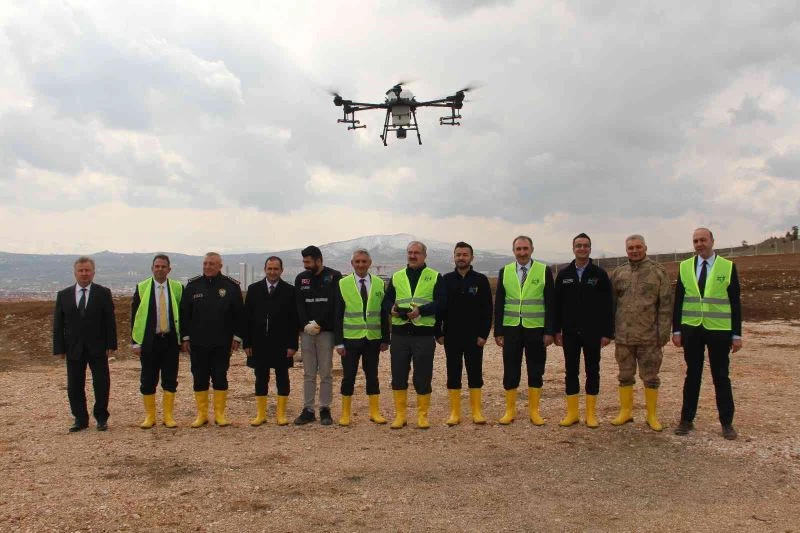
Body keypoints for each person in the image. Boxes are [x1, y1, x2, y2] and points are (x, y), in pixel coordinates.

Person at [672, 228, 742, 440]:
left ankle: (727, 423)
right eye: (695, 241)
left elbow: (735, 302)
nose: (699, 244)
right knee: (692, 375)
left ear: (712, 241)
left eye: (703, 240)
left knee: (721, 376)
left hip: (719, 330)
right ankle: (686, 420)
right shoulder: (685, 266)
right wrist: (677, 330)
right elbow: (679, 300)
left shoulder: (727, 267)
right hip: (692, 329)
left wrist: (736, 334)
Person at [610, 234, 672, 431]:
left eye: (638, 247)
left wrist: (663, 332)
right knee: (625, 375)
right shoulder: (619, 273)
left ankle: (651, 415)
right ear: (626, 250)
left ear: (645, 248)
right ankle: (625, 412)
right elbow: (612, 304)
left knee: (651, 377)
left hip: (649, 337)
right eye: (631, 248)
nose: (634, 251)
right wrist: (611, 331)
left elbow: (666, 305)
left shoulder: (658, 272)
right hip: (624, 336)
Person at [383, 241, 446, 429]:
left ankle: (422, 416)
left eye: (416, 253)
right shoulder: (397, 276)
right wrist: (391, 309)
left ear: (424, 255)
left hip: (423, 335)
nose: (412, 256)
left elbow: (441, 303)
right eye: (410, 252)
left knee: (423, 376)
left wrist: (421, 311)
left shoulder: (435, 276)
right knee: (398, 375)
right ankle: (400, 416)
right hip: (400, 334)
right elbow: (386, 300)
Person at [553, 233, 613, 428]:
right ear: (573, 249)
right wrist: (556, 330)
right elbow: (556, 305)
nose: (582, 248)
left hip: (592, 332)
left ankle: (591, 414)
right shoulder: (564, 275)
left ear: (590, 248)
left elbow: (608, 305)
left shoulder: (599, 274)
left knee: (592, 370)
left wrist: (607, 333)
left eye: (585, 245)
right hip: (570, 333)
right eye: (578, 245)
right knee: (571, 371)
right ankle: (572, 414)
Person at [494, 236, 555, 425]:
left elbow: (550, 303)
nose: (522, 252)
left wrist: (549, 331)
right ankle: (510, 411)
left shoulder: (543, 270)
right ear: (513, 251)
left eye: (525, 248)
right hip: (511, 328)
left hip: (535, 328)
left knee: (535, 369)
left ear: (532, 249)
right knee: (510, 369)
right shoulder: (505, 271)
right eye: (518, 249)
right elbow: (500, 303)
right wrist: (498, 331)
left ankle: (534, 412)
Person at [53, 257, 117, 432]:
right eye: (81, 270)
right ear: (75, 273)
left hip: (98, 347)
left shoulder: (103, 293)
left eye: (87, 270)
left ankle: (101, 418)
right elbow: (58, 324)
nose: (84, 273)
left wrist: (111, 344)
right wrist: (59, 348)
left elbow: (110, 321)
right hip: (73, 348)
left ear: (93, 272)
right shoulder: (63, 295)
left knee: (101, 384)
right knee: (74, 385)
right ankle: (80, 419)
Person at [180, 252, 244, 428]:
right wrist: (185, 337)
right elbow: (184, 314)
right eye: (205, 263)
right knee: (199, 377)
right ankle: (202, 415)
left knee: (220, 377)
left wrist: (237, 337)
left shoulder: (231, 286)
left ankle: (219, 415)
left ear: (220, 266)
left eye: (212, 264)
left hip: (222, 342)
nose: (207, 267)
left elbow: (240, 315)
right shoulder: (193, 286)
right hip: (198, 343)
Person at [437, 241, 492, 425]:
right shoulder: (445, 280)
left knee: (475, 373)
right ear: (454, 257)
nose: (461, 258)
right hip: (451, 336)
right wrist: (438, 333)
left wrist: (483, 335)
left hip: (474, 337)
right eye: (458, 254)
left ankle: (476, 412)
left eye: (465, 255)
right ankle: (455, 413)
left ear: (471, 257)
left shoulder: (480, 280)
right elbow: (440, 308)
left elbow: (487, 310)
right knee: (453, 373)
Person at [334, 248, 389, 426]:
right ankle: (345, 414)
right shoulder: (343, 284)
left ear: (369, 263)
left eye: (364, 261)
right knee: (348, 376)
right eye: (357, 262)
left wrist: (385, 339)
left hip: (372, 339)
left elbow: (383, 313)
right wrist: (338, 342)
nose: (360, 265)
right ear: (352, 263)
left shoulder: (379, 283)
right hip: (350, 339)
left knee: (372, 375)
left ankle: (375, 412)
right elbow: (338, 315)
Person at [243, 256, 299, 427]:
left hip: (282, 343)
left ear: (281, 270)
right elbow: (247, 318)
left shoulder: (290, 290)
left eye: (276, 269)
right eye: (270, 269)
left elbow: (294, 320)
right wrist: (247, 343)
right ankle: (261, 415)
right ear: (265, 269)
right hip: (259, 342)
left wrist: (293, 344)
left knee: (283, 377)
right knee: (261, 378)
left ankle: (281, 414)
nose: (272, 272)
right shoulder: (253, 289)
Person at [130, 254, 183, 429]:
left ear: (169, 269)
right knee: (148, 379)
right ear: (152, 268)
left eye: (163, 266)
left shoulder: (177, 287)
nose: (160, 269)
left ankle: (168, 416)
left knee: (170, 379)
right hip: (149, 342)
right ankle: (150, 417)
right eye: (157, 266)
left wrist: (184, 339)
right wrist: (135, 342)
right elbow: (135, 316)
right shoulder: (142, 287)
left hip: (170, 341)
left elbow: (183, 314)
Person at [294, 245, 342, 426]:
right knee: (308, 373)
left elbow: (333, 304)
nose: (305, 265)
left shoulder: (334, 276)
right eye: (304, 262)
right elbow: (299, 304)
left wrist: (318, 323)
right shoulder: (301, 278)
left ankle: (324, 409)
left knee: (326, 372)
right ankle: (308, 409)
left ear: (318, 260)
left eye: (308, 262)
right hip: (307, 332)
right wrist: (305, 324)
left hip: (325, 332)